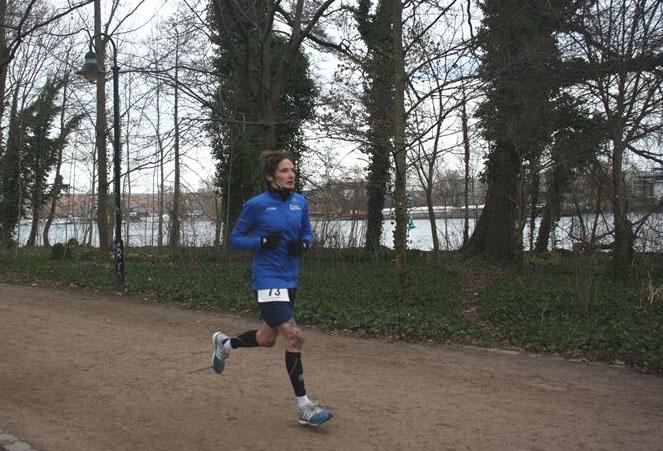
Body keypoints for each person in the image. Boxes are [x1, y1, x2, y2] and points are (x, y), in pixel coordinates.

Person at [210, 149, 332, 427]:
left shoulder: (300, 203)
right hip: (267, 280)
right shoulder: (256, 205)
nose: (291, 175)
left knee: (267, 339)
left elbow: (308, 234)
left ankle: (225, 344)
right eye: (284, 171)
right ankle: (305, 406)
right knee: (294, 335)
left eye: (293, 170)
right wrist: (262, 242)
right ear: (270, 177)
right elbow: (235, 239)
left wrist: (304, 244)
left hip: (291, 279)